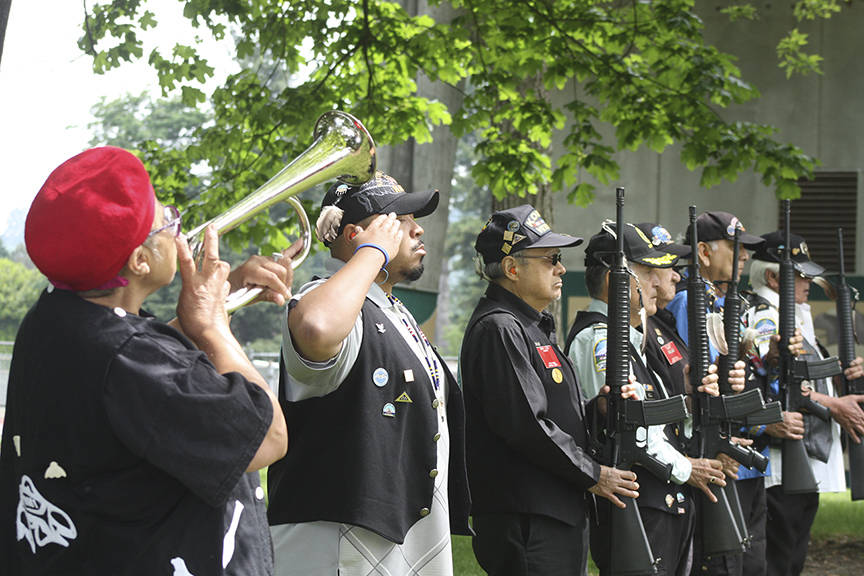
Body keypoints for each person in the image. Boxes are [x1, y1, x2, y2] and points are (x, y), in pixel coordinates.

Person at [0, 146, 297, 575]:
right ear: (139, 261)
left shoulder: (54, 316)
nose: (180, 232)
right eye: (168, 222)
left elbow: (142, 380)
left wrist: (223, 294)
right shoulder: (128, 357)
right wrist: (214, 327)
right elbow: (268, 436)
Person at [267, 172, 471, 576]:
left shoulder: (388, 307)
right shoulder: (320, 298)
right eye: (398, 219)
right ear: (355, 235)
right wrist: (373, 251)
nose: (416, 229)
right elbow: (318, 327)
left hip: (402, 537)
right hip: (343, 546)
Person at [460, 205, 640, 576]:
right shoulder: (501, 328)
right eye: (551, 259)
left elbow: (549, 413)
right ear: (512, 269)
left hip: (552, 512)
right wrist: (594, 473)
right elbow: (527, 426)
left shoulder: (530, 326)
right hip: (528, 519)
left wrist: (597, 408)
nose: (561, 269)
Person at [565, 222, 725, 576]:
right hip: (640, 503)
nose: (661, 281)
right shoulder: (600, 341)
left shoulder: (634, 341)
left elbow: (660, 422)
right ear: (616, 283)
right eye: (648, 272)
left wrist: (688, 395)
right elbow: (631, 431)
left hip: (658, 499)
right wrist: (687, 468)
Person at [744, 231, 864, 576]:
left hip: (799, 454)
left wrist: (840, 377)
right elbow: (775, 379)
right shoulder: (767, 316)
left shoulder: (789, 312)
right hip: (782, 457)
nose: (808, 282)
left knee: (791, 555)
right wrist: (834, 405)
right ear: (771, 276)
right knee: (780, 558)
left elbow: (804, 376)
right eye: (799, 275)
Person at [634, 221, 750, 576]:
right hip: (674, 472)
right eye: (661, 266)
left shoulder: (660, 325)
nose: (672, 275)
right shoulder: (663, 320)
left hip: (690, 464)